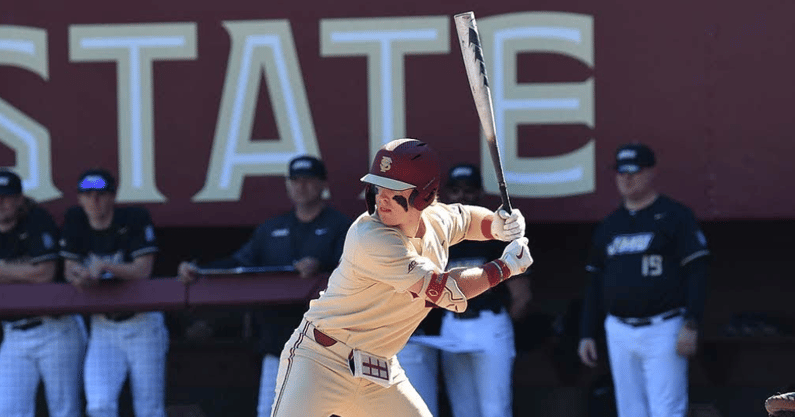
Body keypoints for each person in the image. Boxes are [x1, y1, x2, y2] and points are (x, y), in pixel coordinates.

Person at [270, 138, 533, 417]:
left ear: (426, 196)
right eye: (377, 187)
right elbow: (446, 290)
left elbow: (467, 219)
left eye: (394, 190)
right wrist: (505, 267)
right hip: (320, 361)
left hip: (378, 370)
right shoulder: (370, 236)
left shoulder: (435, 219)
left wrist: (498, 225)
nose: (381, 198)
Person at [177, 155, 352, 417]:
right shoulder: (272, 229)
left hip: (325, 344)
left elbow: (354, 271)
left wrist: (321, 265)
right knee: (270, 411)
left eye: (308, 181)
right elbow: (239, 263)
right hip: (278, 342)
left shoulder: (340, 226)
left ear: (322, 185)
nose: (301, 187)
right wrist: (198, 269)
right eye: (295, 181)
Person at [577, 143, 710, 417]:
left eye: (634, 171)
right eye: (621, 171)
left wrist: (692, 322)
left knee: (667, 410)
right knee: (630, 411)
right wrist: (587, 333)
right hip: (619, 329)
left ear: (651, 172)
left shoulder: (674, 216)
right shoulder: (610, 225)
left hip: (664, 328)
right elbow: (594, 282)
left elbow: (698, 271)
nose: (626, 177)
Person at [61, 168, 167, 417]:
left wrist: (106, 266)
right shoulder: (75, 220)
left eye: (100, 194)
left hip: (142, 325)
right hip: (103, 327)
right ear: (79, 198)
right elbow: (68, 268)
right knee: (98, 404)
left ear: (112, 196)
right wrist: (79, 274)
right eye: (87, 195)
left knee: (149, 409)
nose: (94, 201)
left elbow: (144, 270)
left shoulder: (134, 218)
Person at [438, 163, 531, 417]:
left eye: (469, 190)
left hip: (489, 323)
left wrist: (498, 326)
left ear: (480, 193)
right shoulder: (440, 237)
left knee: (495, 409)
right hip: (452, 324)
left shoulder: (497, 232)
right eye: (455, 190)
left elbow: (521, 297)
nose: (462, 197)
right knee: (462, 410)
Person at [0, 169, 87, 417]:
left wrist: (2, 270)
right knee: (7, 410)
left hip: (55, 330)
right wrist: (23, 271)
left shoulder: (37, 219)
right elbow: (32, 272)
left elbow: (44, 274)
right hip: (13, 333)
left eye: (6, 196)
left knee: (64, 410)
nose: (1, 203)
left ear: (19, 199)